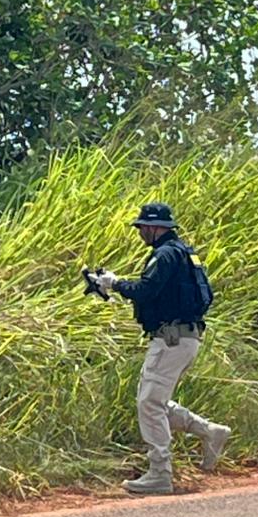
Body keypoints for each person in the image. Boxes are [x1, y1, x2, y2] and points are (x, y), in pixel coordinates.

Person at [91, 202, 230, 495]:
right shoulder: (183, 252)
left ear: (156, 228)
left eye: (142, 227)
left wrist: (113, 283)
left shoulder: (164, 255)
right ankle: (209, 432)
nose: (140, 231)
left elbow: (146, 290)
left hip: (171, 339)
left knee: (149, 403)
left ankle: (160, 474)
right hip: (183, 338)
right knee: (155, 401)